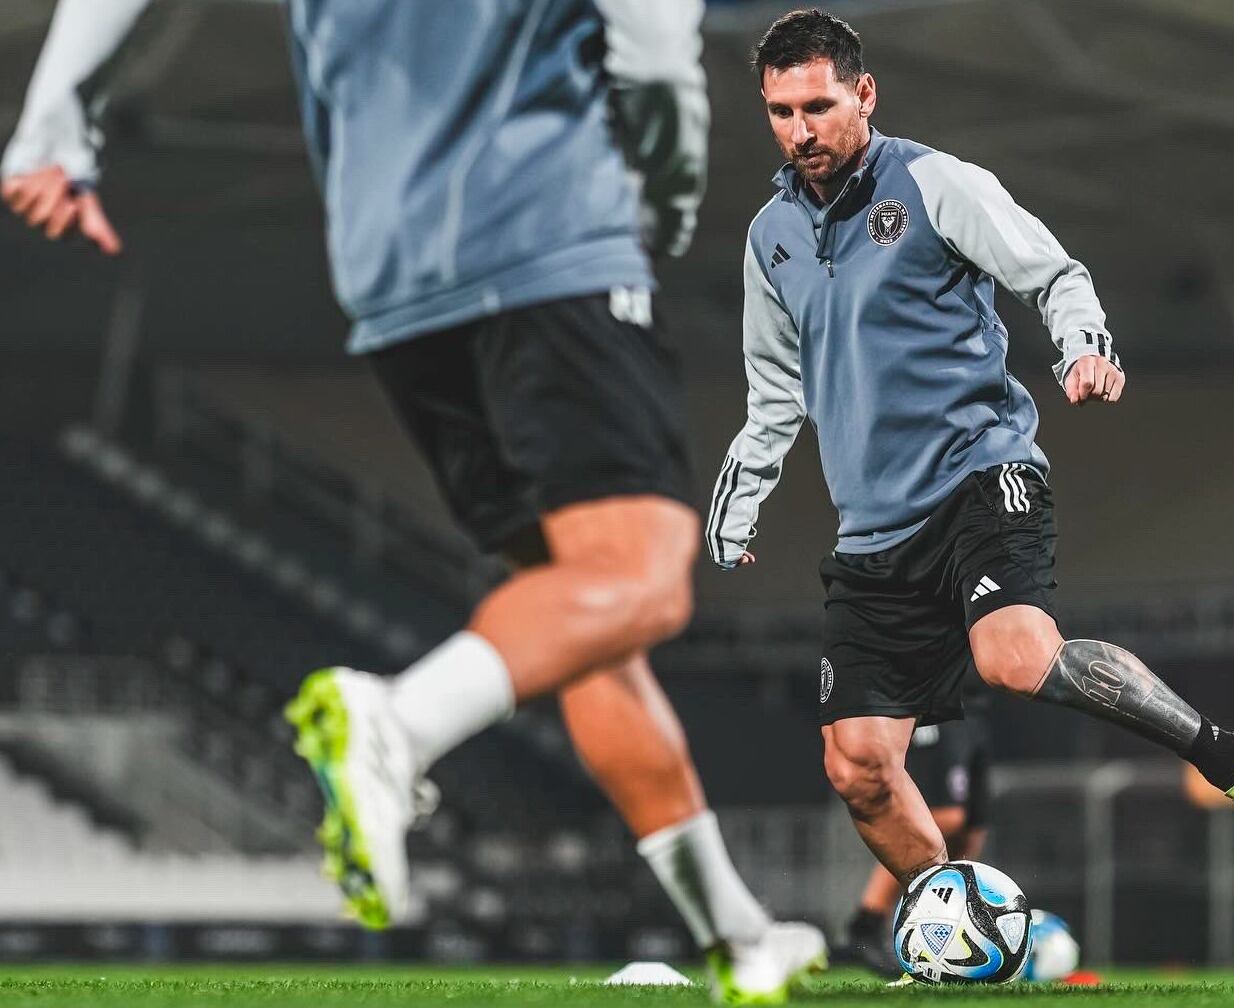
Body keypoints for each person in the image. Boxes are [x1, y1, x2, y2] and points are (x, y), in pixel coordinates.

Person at [4, 1, 825, 999]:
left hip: (390, 277)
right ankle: (397, 725)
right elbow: (652, 53)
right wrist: (664, 194)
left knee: (576, 616)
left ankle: (735, 935)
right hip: (546, 236)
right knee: (642, 580)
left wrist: (52, 117)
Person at [708, 9, 1234, 905]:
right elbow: (773, 389)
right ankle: (957, 920)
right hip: (872, 528)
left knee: (1012, 656)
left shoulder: (935, 184)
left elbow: (1054, 274)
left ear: (864, 94)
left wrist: (1080, 345)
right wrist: (738, 504)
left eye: (817, 105)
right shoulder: (769, 237)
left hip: (980, 472)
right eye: (779, 111)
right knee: (858, 769)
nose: (798, 130)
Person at [844, 697, 990, 976]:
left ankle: (955, 923)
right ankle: (868, 921)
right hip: (940, 703)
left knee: (972, 827)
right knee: (948, 815)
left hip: (976, 709)